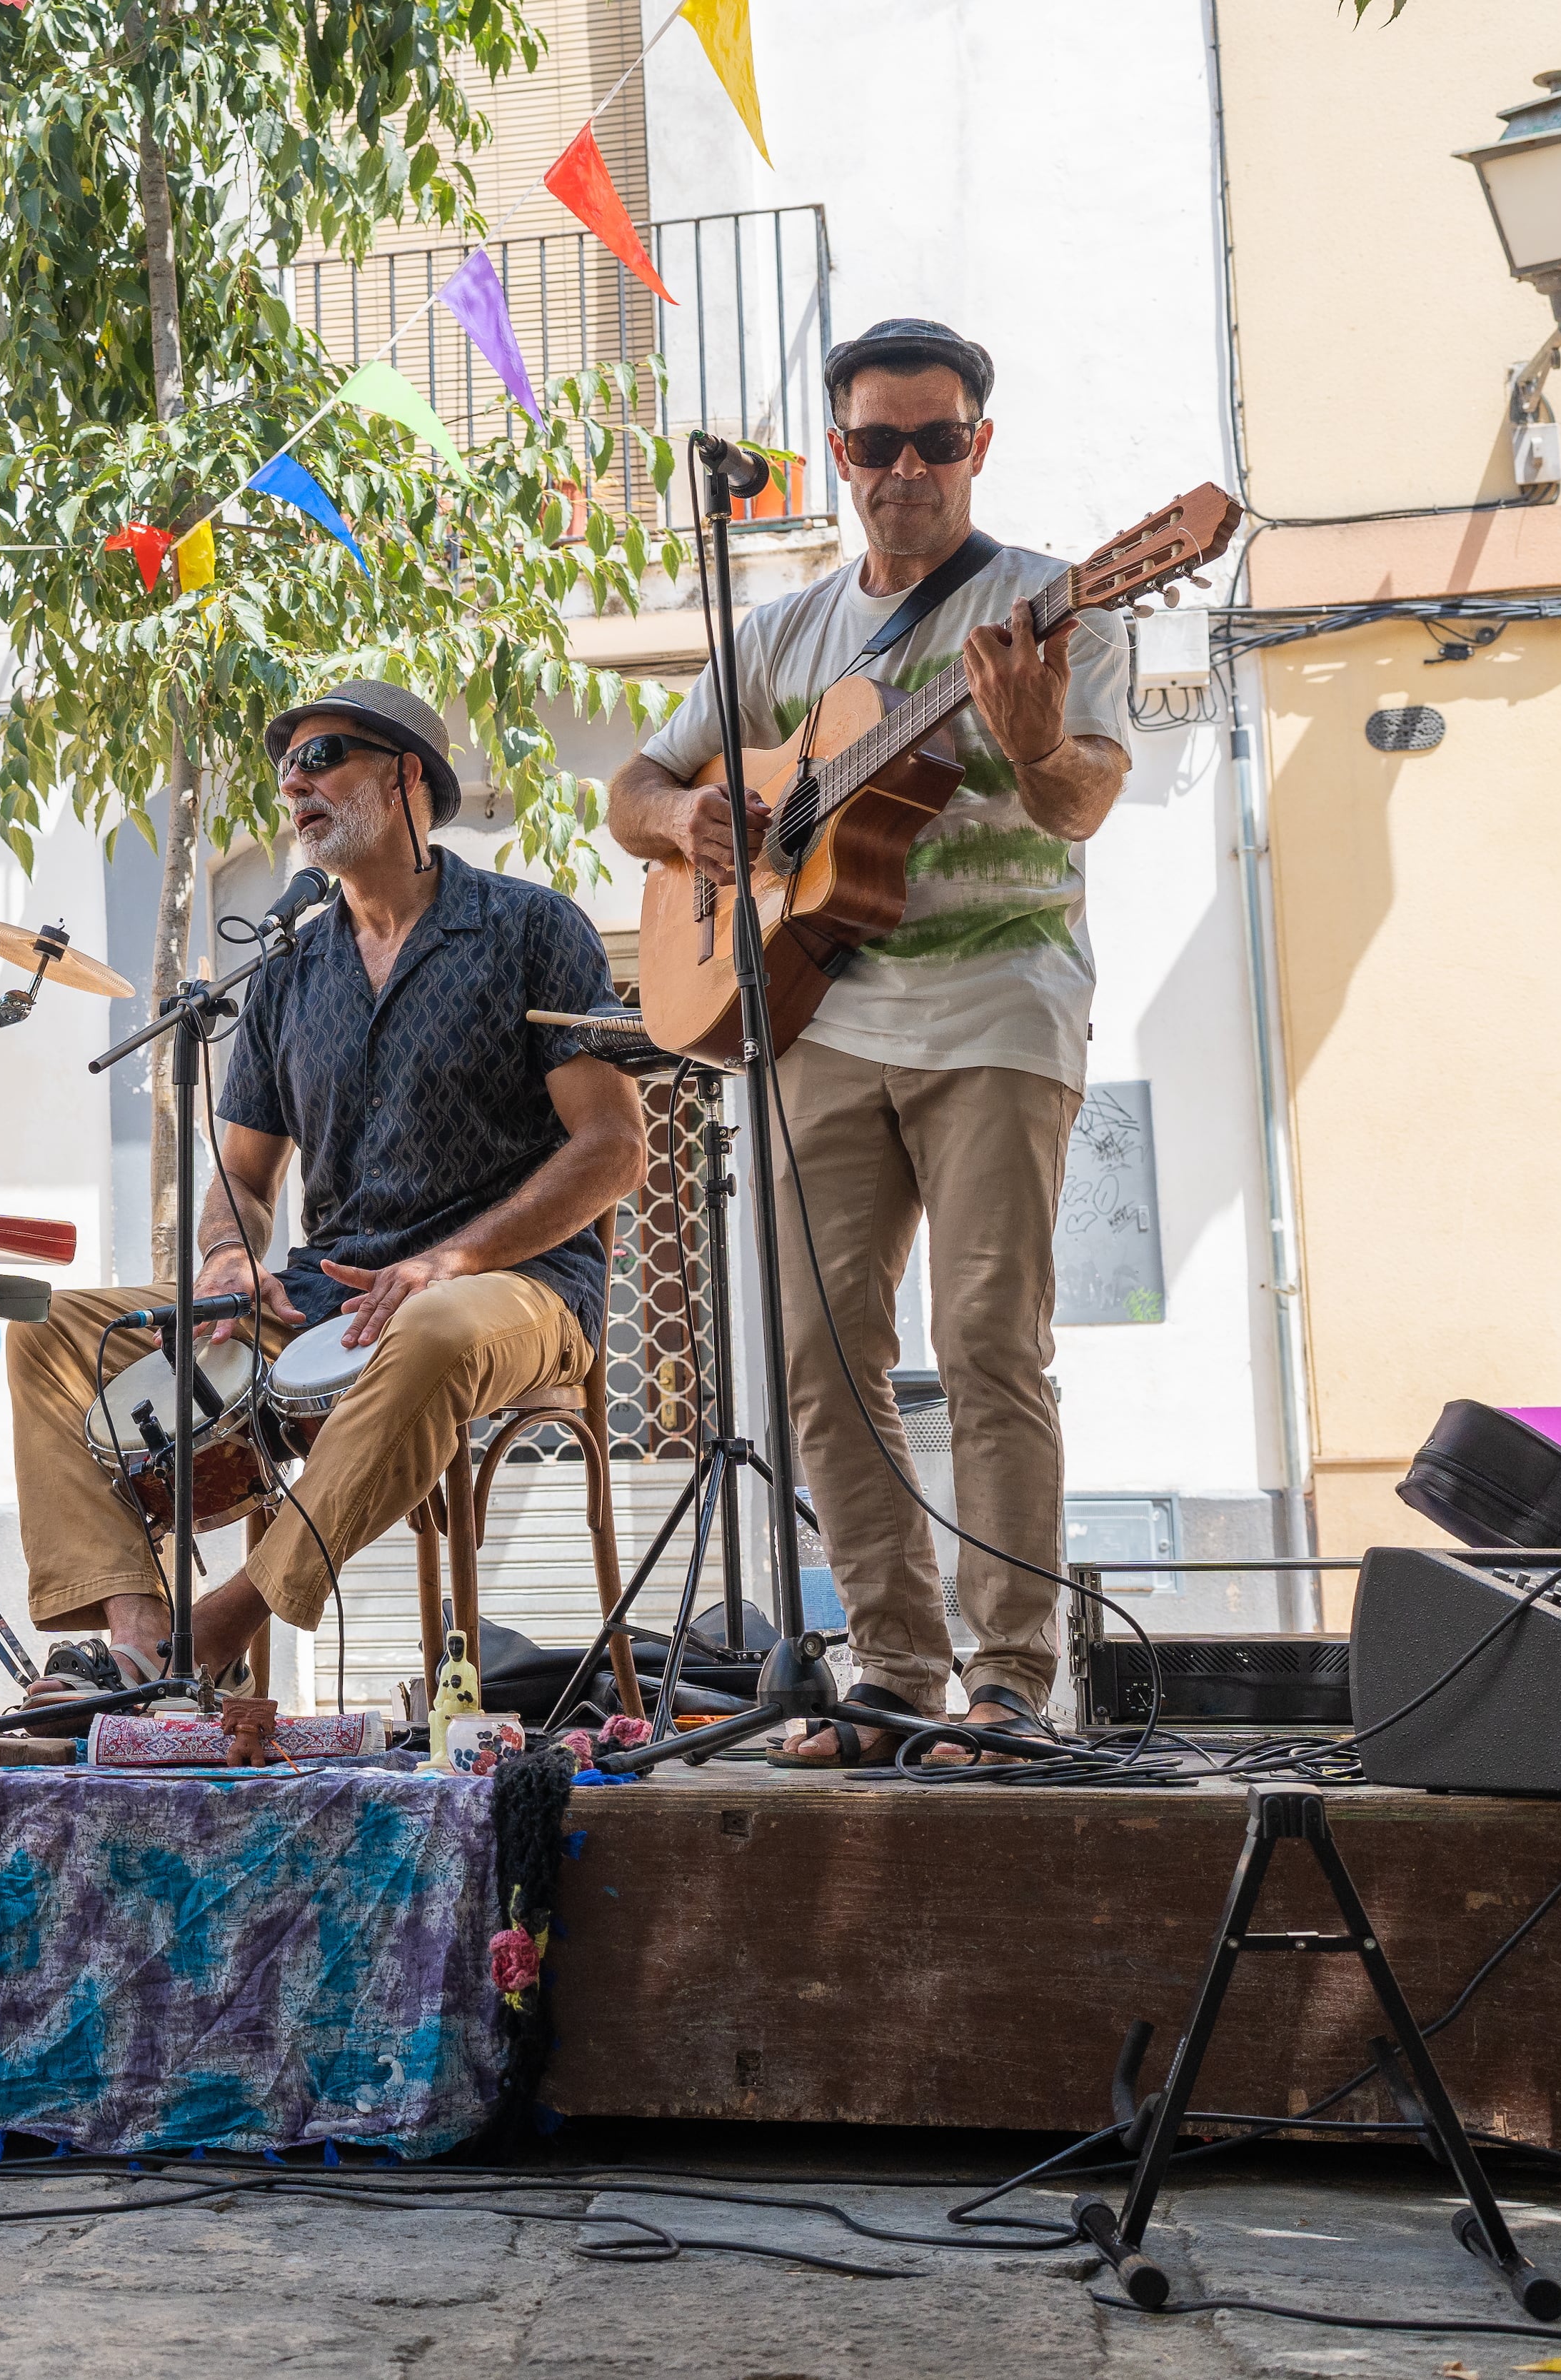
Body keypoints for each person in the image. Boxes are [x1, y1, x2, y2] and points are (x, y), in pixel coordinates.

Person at [604, 317, 1130, 1764]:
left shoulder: (1054, 605)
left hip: (1000, 1007)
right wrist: (691, 819)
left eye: (937, 440)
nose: (907, 468)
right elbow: (636, 785)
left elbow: (1081, 799)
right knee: (815, 1357)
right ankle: (892, 1664)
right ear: (836, 456)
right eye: (878, 443)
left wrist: (1029, 740)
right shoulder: (783, 632)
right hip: (817, 1010)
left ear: (979, 444)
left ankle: (1011, 1677)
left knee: (983, 1338)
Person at [5, 680, 648, 1697]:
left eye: (324, 756)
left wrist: (452, 1259)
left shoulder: (533, 929)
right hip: (323, 1297)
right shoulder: (289, 971)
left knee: (431, 1326)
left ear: (405, 779)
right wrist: (226, 1254)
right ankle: (134, 1636)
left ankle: (214, 1633)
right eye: (285, 768)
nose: (294, 782)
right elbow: (247, 1182)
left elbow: (614, 1147)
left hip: (513, 1288)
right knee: (52, 1331)